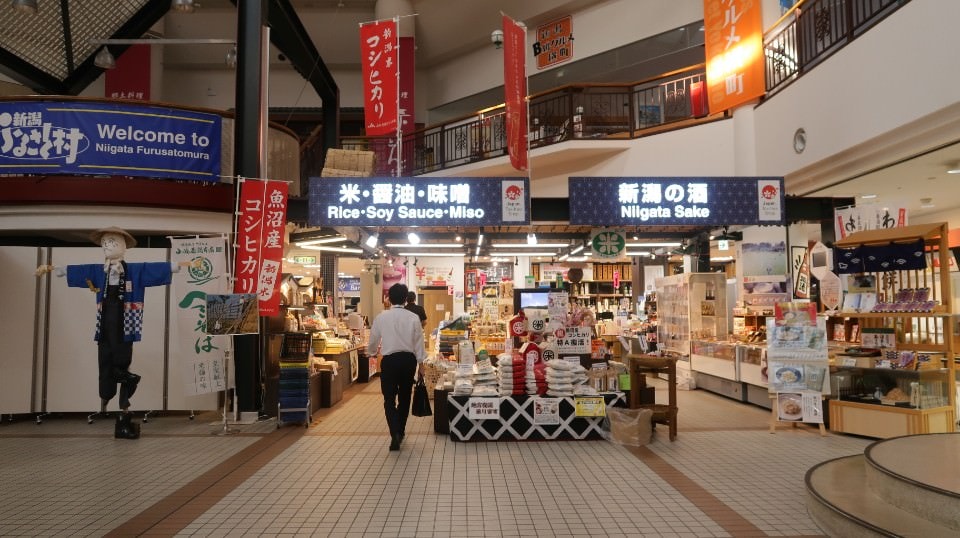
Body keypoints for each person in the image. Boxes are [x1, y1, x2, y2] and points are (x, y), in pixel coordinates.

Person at [36, 227, 188, 439]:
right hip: (105, 325)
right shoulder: (100, 271)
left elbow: (154, 269)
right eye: (105, 243)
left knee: (122, 362)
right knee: (105, 363)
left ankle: (124, 408)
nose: (108, 246)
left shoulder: (134, 271)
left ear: (124, 247)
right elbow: (79, 271)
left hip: (125, 324)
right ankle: (108, 395)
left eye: (113, 242)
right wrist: (54, 268)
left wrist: (179, 265)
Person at [367, 283, 426, 451]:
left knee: (389, 399)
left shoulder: (381, 317)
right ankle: (401, 429)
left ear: (389, 299)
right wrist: (421, 364)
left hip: (390, 361)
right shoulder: (413, 318)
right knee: (405, 396)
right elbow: (418, 343)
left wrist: (371, 352)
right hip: (408, 361)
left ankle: (394, 433)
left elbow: (373, 340)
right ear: (406, 299)